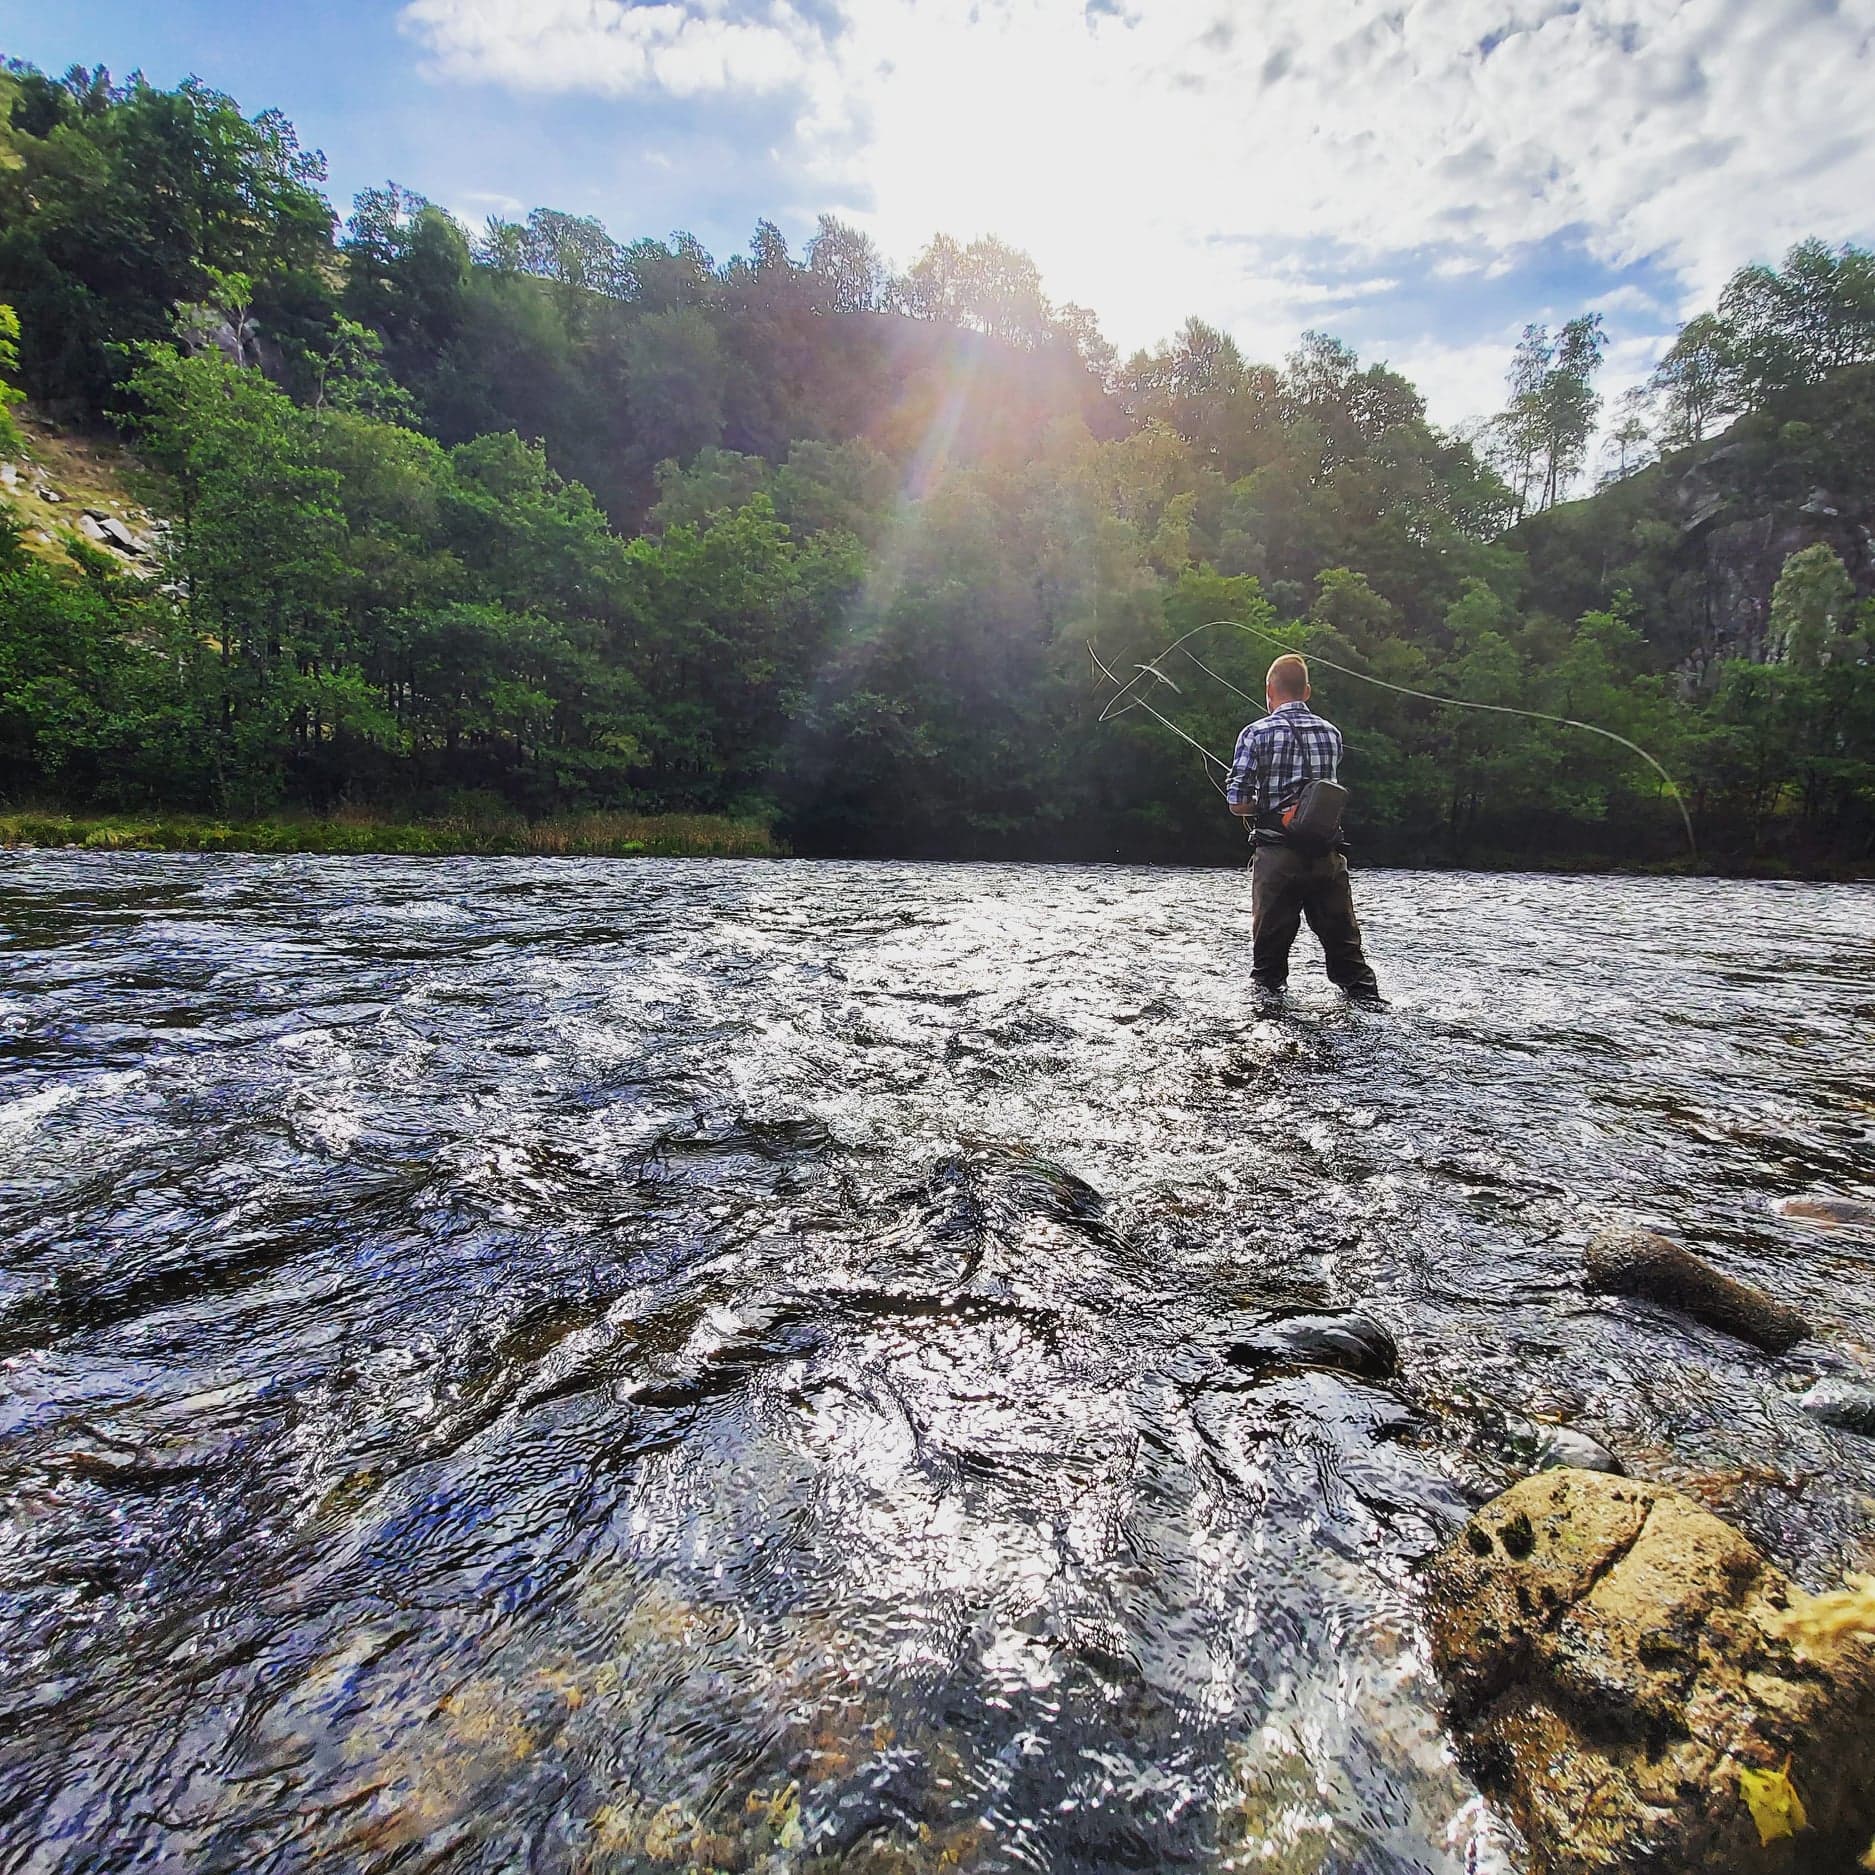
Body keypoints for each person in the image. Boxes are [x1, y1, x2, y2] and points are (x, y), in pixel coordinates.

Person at [1226, 653, 1382, 1001]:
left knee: (1268, 973)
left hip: (1279, 858)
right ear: (1307, 691)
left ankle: (1272, 1033)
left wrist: (1264, 804)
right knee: (1350, 964)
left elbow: (1237, 803)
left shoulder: (1255, 733)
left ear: (1270, 690)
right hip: (1327, 857)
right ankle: (1370, 1022)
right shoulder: (1331, 734)